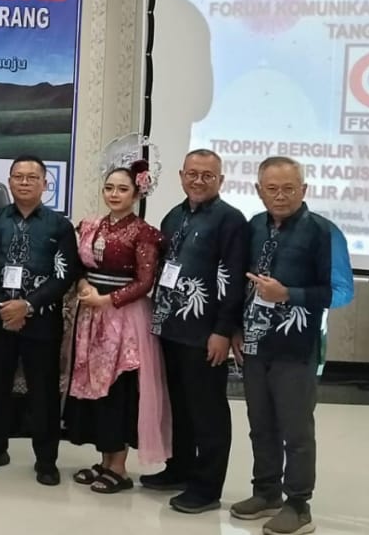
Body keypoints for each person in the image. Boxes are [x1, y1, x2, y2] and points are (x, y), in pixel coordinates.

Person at [229, 156, 349, 535]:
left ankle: (298, 505)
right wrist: (235, 328)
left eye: (288, 188)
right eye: (272, 189)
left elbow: (342, 291)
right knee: (260, 425)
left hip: (297, 348)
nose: (280, 196)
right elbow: (241, 283)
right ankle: (266, 492)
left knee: (296, 431)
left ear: (304, 190)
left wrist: (288, 295)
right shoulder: (253, 226)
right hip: (254, 345)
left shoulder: (324, 232)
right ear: (258, 191)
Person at [142, 149, 247, 513]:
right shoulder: (173, 216)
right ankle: (180, 468)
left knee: (208, 411)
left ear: (221, 180)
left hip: (205, 334)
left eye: (207, 175)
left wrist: (223, 330)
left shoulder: (230, 220)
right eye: (192, 174)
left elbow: (233, 281)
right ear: (181, 175)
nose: (198, 181)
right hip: (170, 327)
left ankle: (207, 487)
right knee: (179, 407)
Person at [0, 155, 80, 485]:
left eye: (32, 177)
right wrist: (4, 306)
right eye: (18, 176)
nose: (24, 182)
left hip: (42, 321)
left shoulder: (59, 226)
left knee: (43, 392)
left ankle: (46, 460)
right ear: (9, 181)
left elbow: (64, 275)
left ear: (45, 184)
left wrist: (28, 306)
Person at [63, 163, 171, 494]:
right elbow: (79, 267)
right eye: (109, 188)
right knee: (94, 385)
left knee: (119, 387)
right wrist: (84, 287)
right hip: (91, 313)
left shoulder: (143, 233)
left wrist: (107, 299)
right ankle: (105, 459)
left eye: (123, 189)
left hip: (123, 317)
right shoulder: (91, 225)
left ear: (137, 194)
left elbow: (145, 281)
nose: (114, 194)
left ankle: (119, 467)